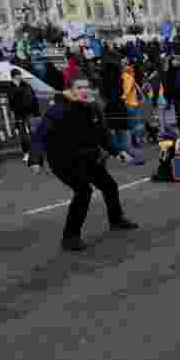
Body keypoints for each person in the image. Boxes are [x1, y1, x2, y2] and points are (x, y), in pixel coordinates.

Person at [28, 78, 139, 252]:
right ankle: (70, 237)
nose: (84, 91)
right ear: (70, 91)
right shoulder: (57, 110)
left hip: (88, 158)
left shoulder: (93, 108)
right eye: (79, 88)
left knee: (109, 186)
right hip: (63, 160)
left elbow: (103, 136)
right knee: (83, 192)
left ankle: (116, 220)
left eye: (86, 87)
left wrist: (118, 152)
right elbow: (39, 136)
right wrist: (35, 160)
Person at [8, 68, 39, 162]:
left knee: (33, 132)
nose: (19, 77)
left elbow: (33, 98)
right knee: (23, 135)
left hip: (29, 112)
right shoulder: (10, 87)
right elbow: (11, 101)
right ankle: (26, 153)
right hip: (19, 114)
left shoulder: (26, 85)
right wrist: (17, 88)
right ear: (13, 77)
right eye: (17, 75)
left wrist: (36, 112)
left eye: (20, 75)